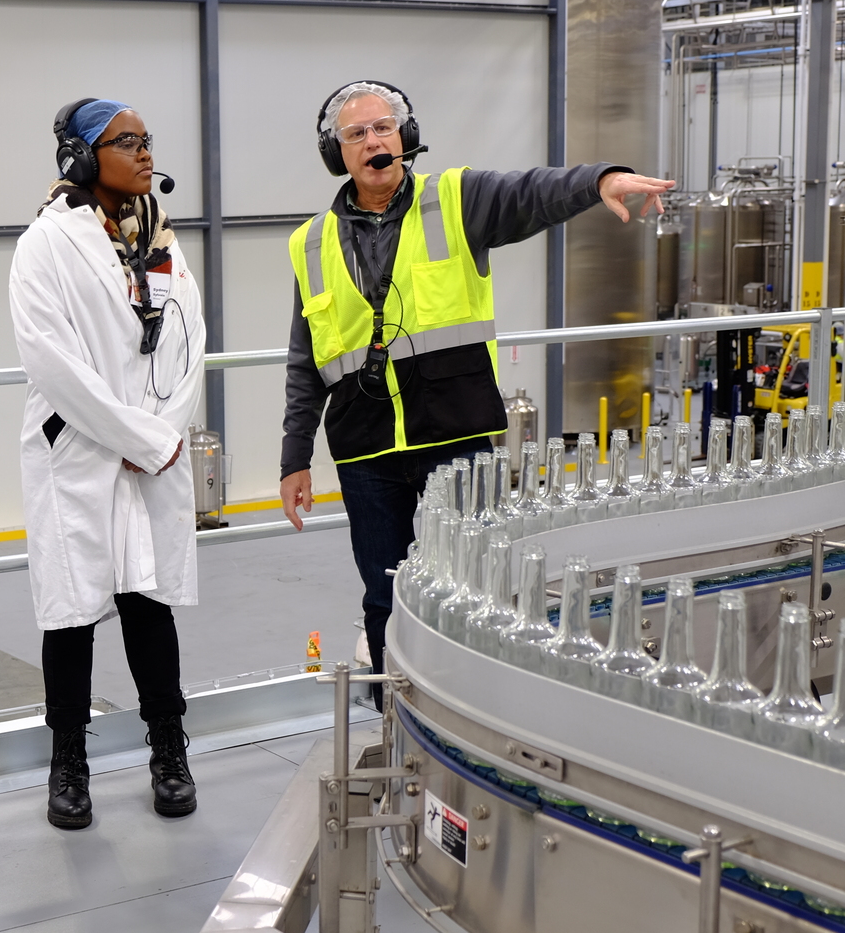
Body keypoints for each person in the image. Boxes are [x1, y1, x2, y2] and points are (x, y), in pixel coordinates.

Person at [277, 80, 675, 688]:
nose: (373, 141)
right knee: (384, 595)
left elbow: (533, 192)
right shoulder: (311, 242)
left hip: (456, 442)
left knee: (475, 586)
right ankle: (400, 720)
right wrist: (293, 457)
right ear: (339, 153)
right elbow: (304, 362)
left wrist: (600, 182)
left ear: (405, 139)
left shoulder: (456, 199)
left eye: (383, 127)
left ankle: (473, 704)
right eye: (356, 133)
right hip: (366, 452)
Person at [10, 99, 206, 830]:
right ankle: (68, 763)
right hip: (82, 452)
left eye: (148, 140)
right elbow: (51, 361)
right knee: (71, 614)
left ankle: (168, 747)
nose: (145, 153)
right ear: (83, 158)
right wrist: (134, 437)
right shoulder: (46, 243)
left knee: (147, 605)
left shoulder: (159, 239)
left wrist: (162, 433)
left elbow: (190, 338)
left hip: (150, 453)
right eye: (128, 142)